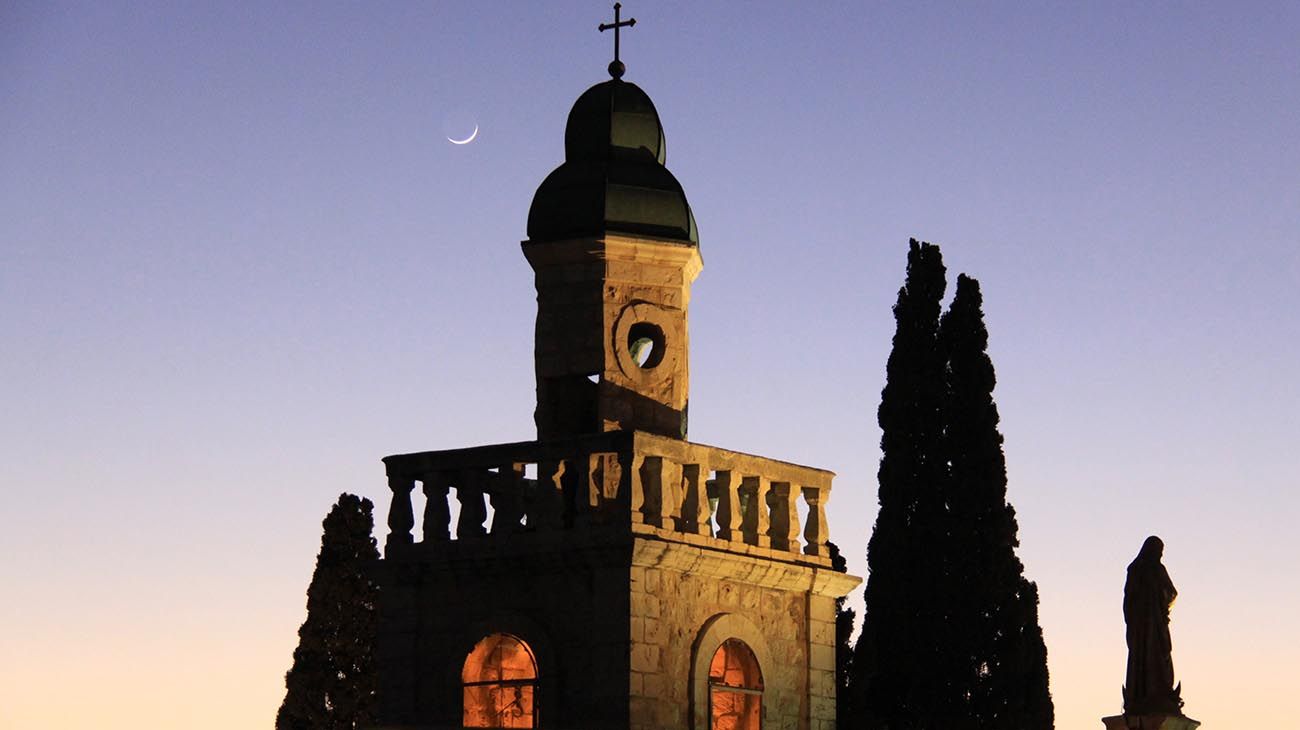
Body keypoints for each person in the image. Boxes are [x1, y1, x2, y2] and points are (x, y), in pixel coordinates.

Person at [1122, 536, 1182, 714]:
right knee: (1153, 655)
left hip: (1144, 625)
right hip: (1149, 625)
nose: (1161, 554)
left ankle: (1148, 693)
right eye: (1160, 550)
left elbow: (1129, 600)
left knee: (1148, 656)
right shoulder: (1153, 569)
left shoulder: (1136, 569)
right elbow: (1171, 593)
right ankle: (1152, 693)